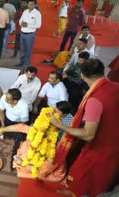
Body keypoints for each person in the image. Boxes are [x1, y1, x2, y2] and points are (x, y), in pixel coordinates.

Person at [49, 59, 119, 196]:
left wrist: (59, 125)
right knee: (101, 181)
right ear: (103, 71)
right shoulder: (116, 86)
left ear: (82, 75)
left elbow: (88, 134)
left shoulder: (95, 99)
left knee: (81, 180)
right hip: (114, 144)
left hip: (99, 150)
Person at [0, 101, 73, 177]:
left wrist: (22, 163)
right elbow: (21, 127)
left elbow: (40, 172)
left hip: (42, 172)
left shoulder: (50, 153)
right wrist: (1, 130)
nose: (54, 112)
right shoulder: (37, 130)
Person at [18, 0, 42, 69]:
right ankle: (21, 62)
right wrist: (21, 23)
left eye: (31, 4)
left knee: (28, 50)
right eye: (29, 4)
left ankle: (26, 65)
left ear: (35, 5)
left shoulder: (37, 13)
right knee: (22, 50)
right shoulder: (25, 11)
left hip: (30, 35)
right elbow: (20, 20)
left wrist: (28, 25)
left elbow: (39, 25)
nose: (29, 6)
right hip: (22, 33)